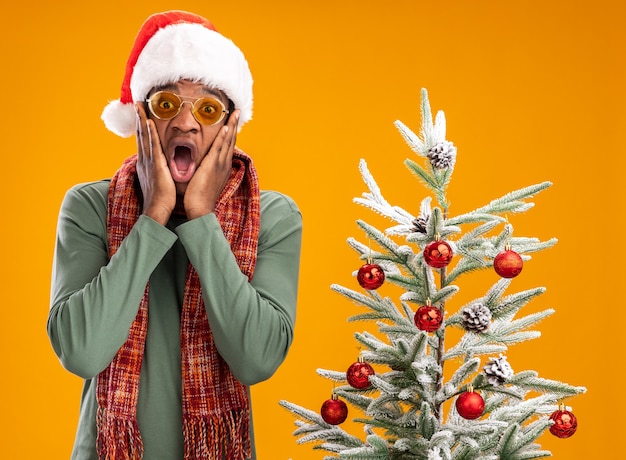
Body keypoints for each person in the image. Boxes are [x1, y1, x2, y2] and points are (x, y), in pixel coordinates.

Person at [47, 10, 302, 460]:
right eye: (168, 104)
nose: (186, 124)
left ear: (229, 126)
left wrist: (202, 218)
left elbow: (257, 359)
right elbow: (82, 353)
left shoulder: (272, 215)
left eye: (207, 109)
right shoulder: (89, 207)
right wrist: (153, 216)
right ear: (144, 117)